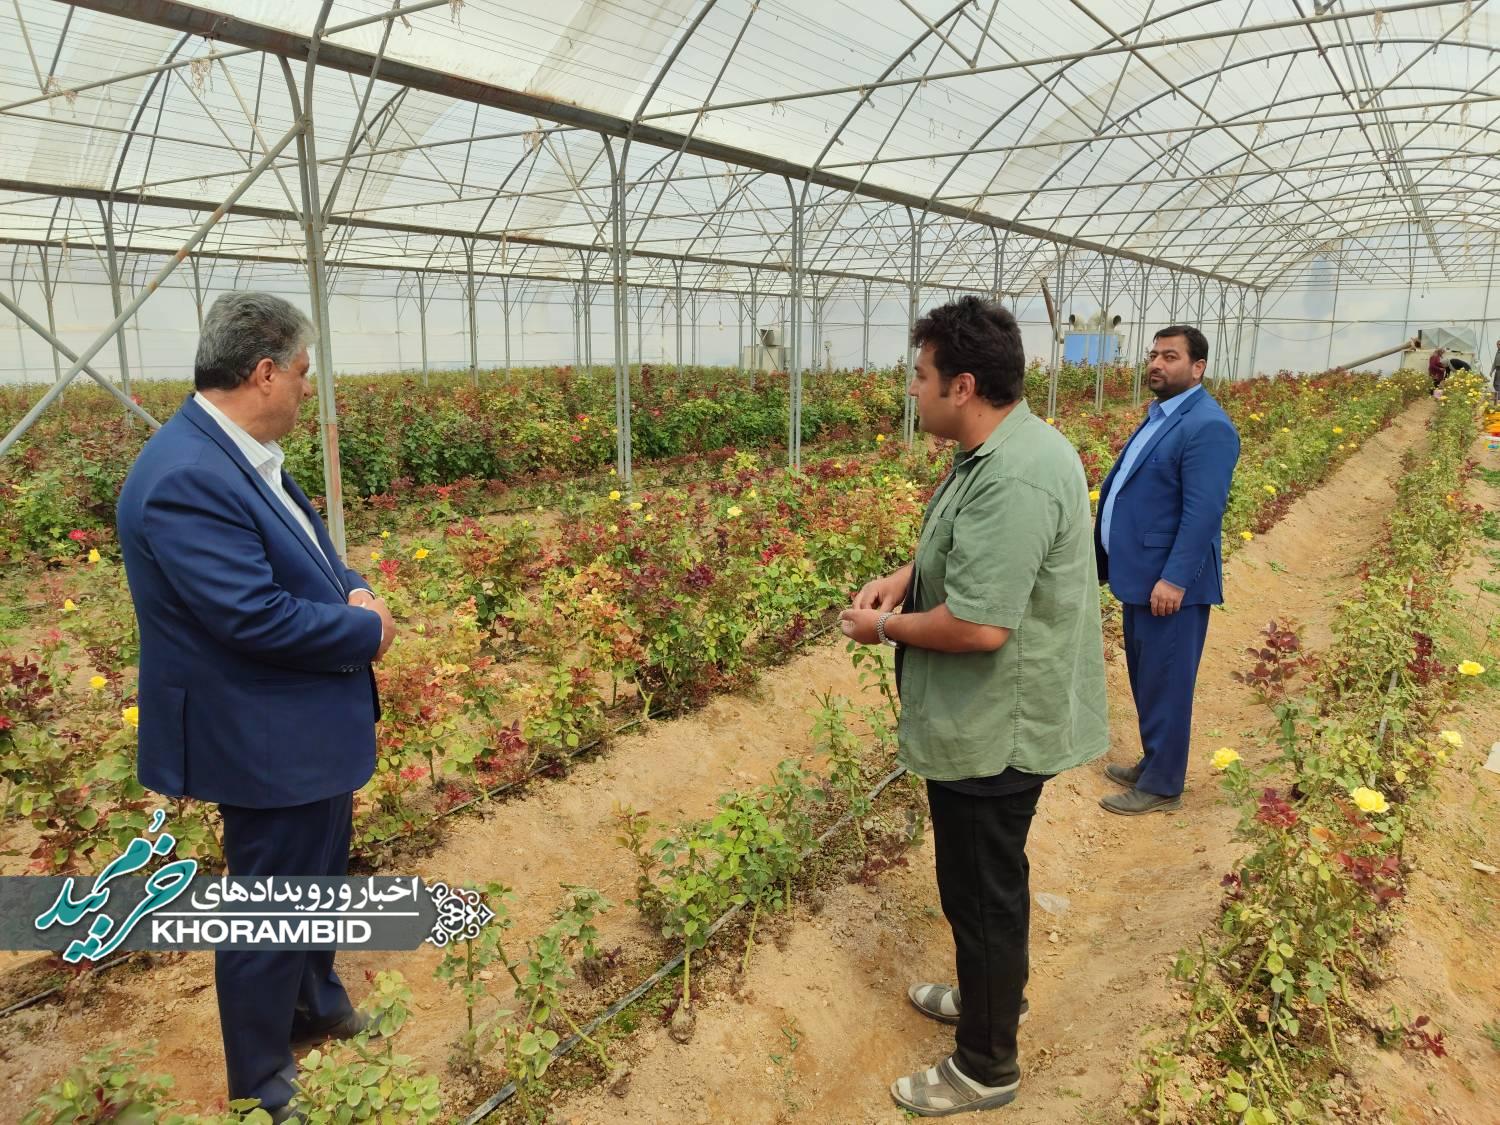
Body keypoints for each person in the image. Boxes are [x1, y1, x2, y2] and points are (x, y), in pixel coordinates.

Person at [116, 292, 395, 1124]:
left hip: (300, 725)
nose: (310, 388)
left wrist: (352, 585)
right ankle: (262, 1081)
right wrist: (364, 630)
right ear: (265, 370)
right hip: (262, 736)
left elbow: (306, 545)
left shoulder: (238, 450)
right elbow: (251, 615)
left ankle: (317, 1001)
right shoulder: (185, 476)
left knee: (316, 881)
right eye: (303, 372)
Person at [840, 297, 1108, 1116]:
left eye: (918, 378)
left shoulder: (1018, 472)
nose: (910, 392)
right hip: (987, 722)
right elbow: (967, 563)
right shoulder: (994, 452)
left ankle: (987, 1064)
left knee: (984, 890)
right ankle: (992, 996)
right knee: (981, 886)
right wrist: (907, 576)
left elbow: (982, 624)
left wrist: (882, 624)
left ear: (962, 384)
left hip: (999, 730)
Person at [1094, 325, 1240, 816]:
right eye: (1154, 355)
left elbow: (1204, 513)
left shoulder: (1208, 425)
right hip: (1140, 575)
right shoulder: (1161, 415)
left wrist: (1175, 578)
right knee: (1148, 675)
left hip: (1169, 584)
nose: (1156, 364)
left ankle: (1162, 785)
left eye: (1170, 356)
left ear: (1197, 367)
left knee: (1169, 680)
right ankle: (1155, 759)